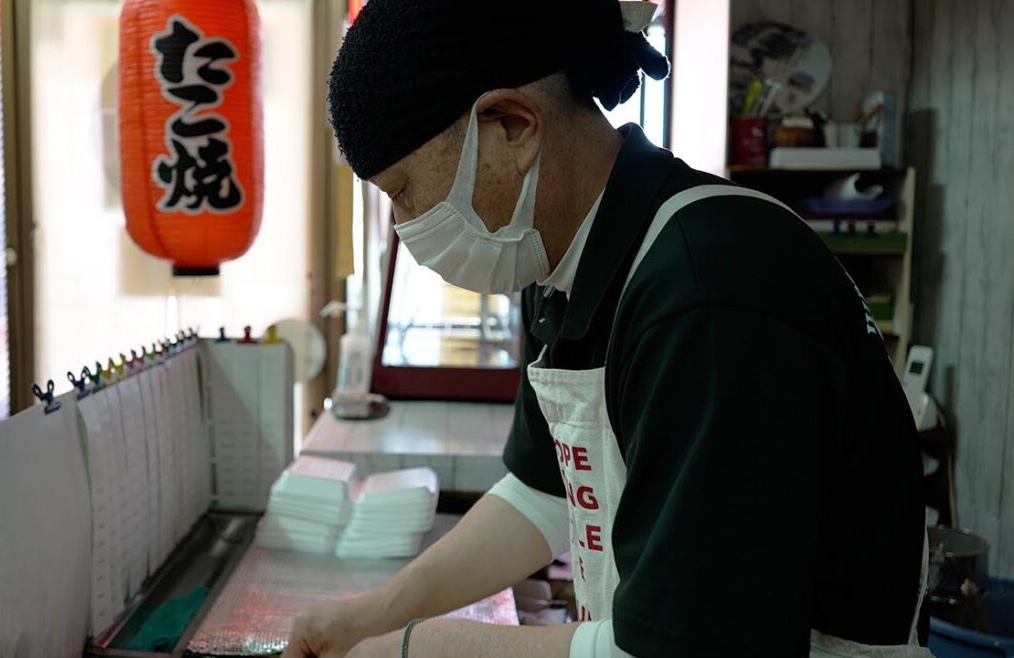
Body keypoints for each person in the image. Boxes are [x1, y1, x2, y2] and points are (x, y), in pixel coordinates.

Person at [284, 1, 930, 656]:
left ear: (512, 125)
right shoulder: (558, 264)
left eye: (403, 192)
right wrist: (369, 618)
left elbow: (694, 646)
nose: (406, 227)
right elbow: (546, 494)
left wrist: (420, 649)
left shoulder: (711, 289)